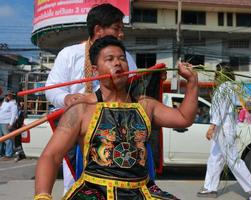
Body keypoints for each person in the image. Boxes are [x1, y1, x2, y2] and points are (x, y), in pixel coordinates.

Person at [34, 36, 198, 200]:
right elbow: (51, 156)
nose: (118, 63)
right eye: (109, 59)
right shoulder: (81, 109)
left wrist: (191, 82)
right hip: (94, 193)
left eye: (122, 59)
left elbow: (184, 118)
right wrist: (42, 196)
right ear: (95, 71)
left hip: (142, 191)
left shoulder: (146, 105)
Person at [45, 3, 172, 198]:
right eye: (117, 28)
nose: (121, 34)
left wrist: (153, 80)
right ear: (98, 29)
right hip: (80, 131)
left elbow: (134, 90)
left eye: (122, 29)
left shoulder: (126, 57)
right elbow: (51, 89)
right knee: (75, 187)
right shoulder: (69, 54)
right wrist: (68, 98)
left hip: (121, 136)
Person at [196, 63, 251, 200]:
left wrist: (212, 127)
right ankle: (210, 188)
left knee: (232, 160)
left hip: (223, 130)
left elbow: (220, 110)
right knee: (215, 158)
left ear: (219, 75)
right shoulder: (230, 87)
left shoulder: (223, 88)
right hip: (224, 128)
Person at [0, 91, 18, 160]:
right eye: (6, 95)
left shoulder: (13, 104)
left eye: (8, 95)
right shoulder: (4, 102)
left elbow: (14, 115)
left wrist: (11, 124)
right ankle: (2, 153)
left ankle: (8, 154)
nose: (7, 96)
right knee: (1, 139)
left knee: (7, 139)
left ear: (11, 96)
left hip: (6, 122)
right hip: (1, 122)